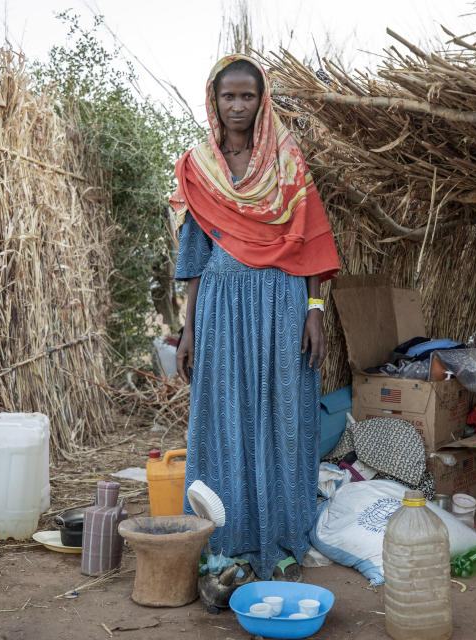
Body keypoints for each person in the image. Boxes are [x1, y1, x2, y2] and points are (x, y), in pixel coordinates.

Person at [169, 54, 340, 582]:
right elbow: (194, 259)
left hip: (282, 302)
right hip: (221, 305)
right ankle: (228, 541)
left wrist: (314, 312)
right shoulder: (199, 167)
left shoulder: (288, 163)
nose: (238, 106)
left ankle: (284, 536)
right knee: (223, 416)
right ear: (213, 102)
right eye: (229, 96)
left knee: (285, 415)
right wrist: (189, 329)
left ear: (262, 101)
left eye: (248, 96)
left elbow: (310, 244)